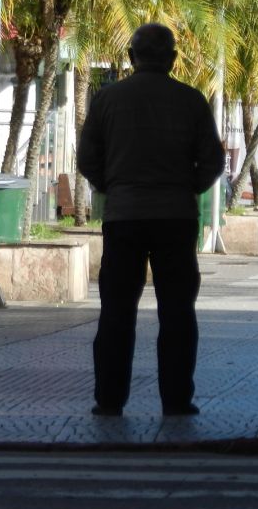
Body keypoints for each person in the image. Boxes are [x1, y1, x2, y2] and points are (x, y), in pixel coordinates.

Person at [78, 23, 225, 417]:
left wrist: (113, 186)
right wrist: (186, 187)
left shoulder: (107, 99)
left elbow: (87, 158)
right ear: (173, 59)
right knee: (177, 311)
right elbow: (213, 159)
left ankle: (109, 399)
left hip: (124, 217)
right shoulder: (191, 100)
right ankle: (176, 400)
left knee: (116, 311)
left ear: (131, 57)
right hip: (176, 217)